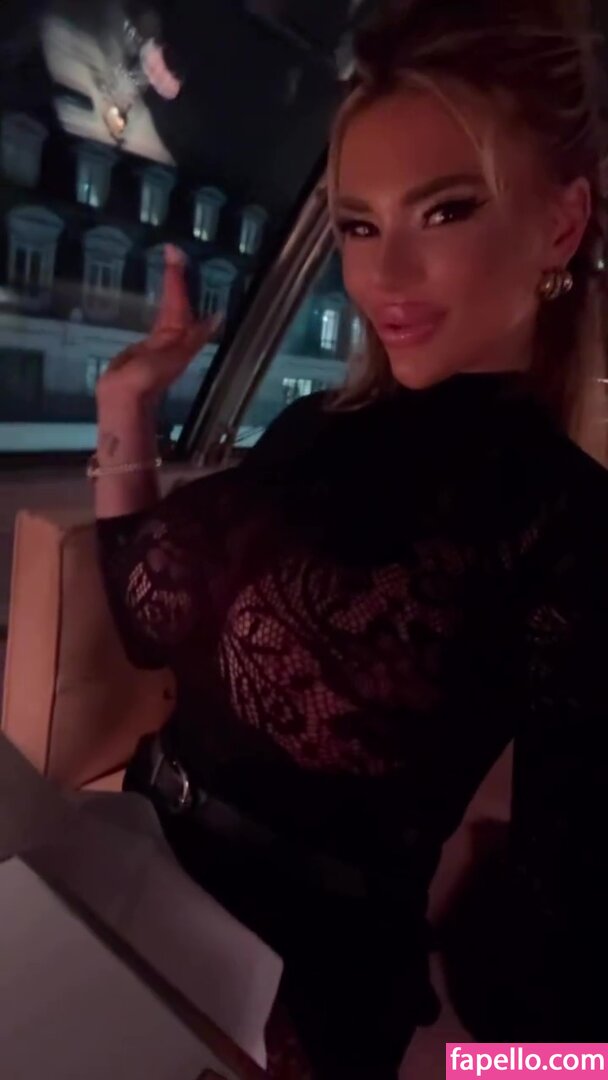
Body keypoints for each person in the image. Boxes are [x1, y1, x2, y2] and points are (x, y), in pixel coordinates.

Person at [94, 0, 608, 1074]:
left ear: (561, 225)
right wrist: (127, 403)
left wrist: (497, 1069)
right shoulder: (312, 427)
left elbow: (565, 931)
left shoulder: (568, 525)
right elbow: (148, 624)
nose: (382, 277)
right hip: (126, 866)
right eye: (359, 225)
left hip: (297, 995)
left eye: (445, 210)